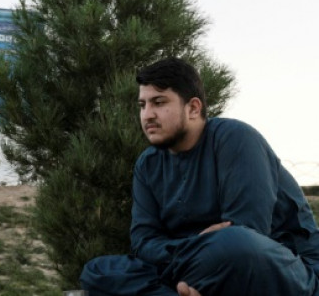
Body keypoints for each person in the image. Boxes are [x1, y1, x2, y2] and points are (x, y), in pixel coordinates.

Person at [80, 57, 319, 296]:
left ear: (193, 108)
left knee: (233, 244)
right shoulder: (147, 164)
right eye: (142, 105)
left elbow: (248, 232)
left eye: (159, 102)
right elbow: (143, 242)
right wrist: (193, 244)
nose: (147, 115)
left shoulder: (235, 139)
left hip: (285, 267)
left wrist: (188, 248)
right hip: (191, 265)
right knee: (99, 271)